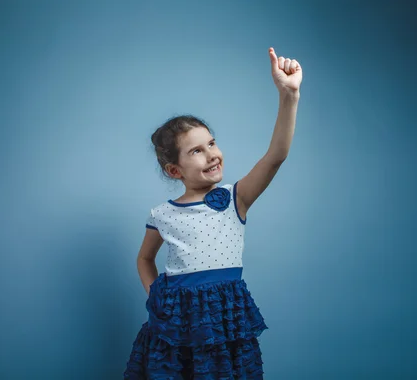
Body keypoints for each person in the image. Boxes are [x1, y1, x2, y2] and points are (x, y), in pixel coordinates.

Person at [124, 47, 302, 379]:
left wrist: (288, 96)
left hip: (225, 324)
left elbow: (276, 156)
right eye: (196, 150)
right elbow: (144, 259)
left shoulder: (237, 197)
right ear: (174, 170)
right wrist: (157, 297)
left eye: (212, 143)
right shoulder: (162, 214)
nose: (211, 154)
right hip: (176, 324)